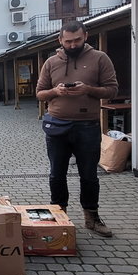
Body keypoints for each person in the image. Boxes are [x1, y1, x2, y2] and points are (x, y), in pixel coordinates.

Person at [35, 20, 118, 237]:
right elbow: (40, 93)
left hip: (87, 126)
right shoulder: (51, 62)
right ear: (60, 40)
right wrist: (55, 91)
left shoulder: (100, 59)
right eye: (68, 41)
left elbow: (111, 90)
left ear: (85, 36)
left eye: (77, 40)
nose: (73, 45)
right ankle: (58, 214)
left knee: (89, 175)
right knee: (56, 175)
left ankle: (92, 217)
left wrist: (88, 89)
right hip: (57, 126)